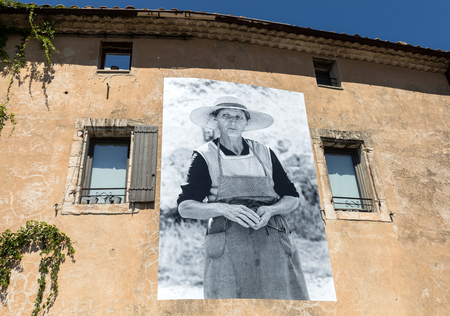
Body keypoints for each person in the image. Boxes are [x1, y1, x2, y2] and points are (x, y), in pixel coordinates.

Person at [177, 95, 310, 300]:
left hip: (272, 238)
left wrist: (272, 209)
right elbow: (185, 207)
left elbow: (292, 198)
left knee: (281, 301)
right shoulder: (204, 155)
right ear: (216, 121)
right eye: (226, 116)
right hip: (227, 242)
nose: (232, 121)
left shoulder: (265, 153)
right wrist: (224, 209)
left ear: (246, 122)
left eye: (239, 117)